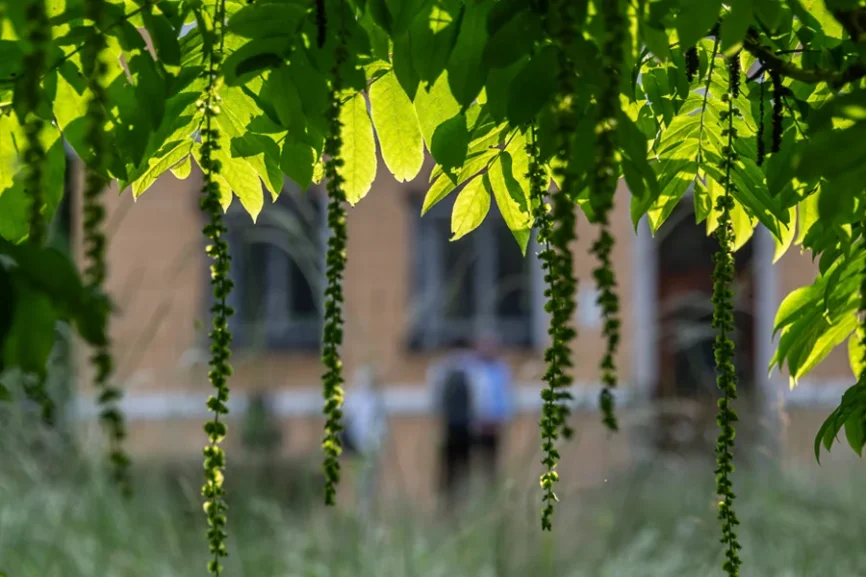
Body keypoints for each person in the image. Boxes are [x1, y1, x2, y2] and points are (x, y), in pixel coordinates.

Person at [429, 338, 479, 508]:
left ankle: (460, 500)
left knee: (463, 466)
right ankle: (449, 502)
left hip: (464, 426)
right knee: (450, 467)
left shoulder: (467, 371)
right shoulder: (445, 371)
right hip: (451, 425)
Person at [341, 364, 388, 516]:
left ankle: (367, 511)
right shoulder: (355, 400)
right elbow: (349, 423)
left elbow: (380, 426)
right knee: (362, 482)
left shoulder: (375, 400)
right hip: (359, 446)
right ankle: (362, 512)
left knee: (370, 483)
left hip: (370, 447)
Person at [472, 333, 513, 486]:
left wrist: (501, 418)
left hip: (493, 424)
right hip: (474, 424)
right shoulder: (473, 369)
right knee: (472, 462)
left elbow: (505, 397)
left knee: (491, 464)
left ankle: (490, 489)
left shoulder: (501, 370)